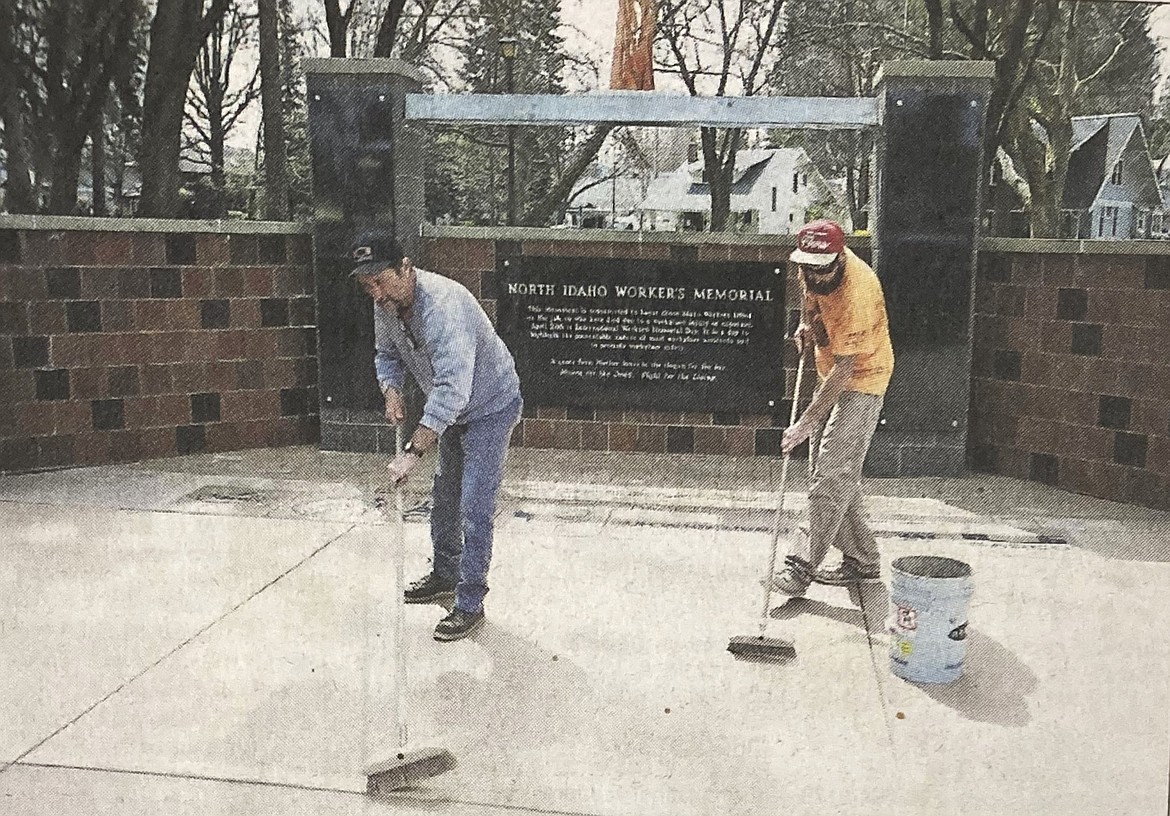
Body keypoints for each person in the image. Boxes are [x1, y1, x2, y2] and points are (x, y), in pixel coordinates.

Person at [349, 229, 523, 642]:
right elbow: (387, 354)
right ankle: (445, 573)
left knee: (474, 503)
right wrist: (391, 391)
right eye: (367, 285)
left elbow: (452, 390)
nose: (375, 294)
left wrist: (412, 451)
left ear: (405, 268)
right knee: (445, 495)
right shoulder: (387, 304)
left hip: (489, 407)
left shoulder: (443, 307)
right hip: (455, 411)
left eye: (380, 280)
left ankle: (470, 602)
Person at [772, 219, 895, 596]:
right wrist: (805, 326)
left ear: (839, 257)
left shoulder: (858, 290)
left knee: (829, 476)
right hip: (832, 371)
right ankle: (863, 560)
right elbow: (811, 306)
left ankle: (799, 566)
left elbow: (847, 369)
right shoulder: (809, 269)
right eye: (808, 265)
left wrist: (807, 422)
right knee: (835, 474)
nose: (815, 273)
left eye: (823, 266)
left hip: (863, 378)